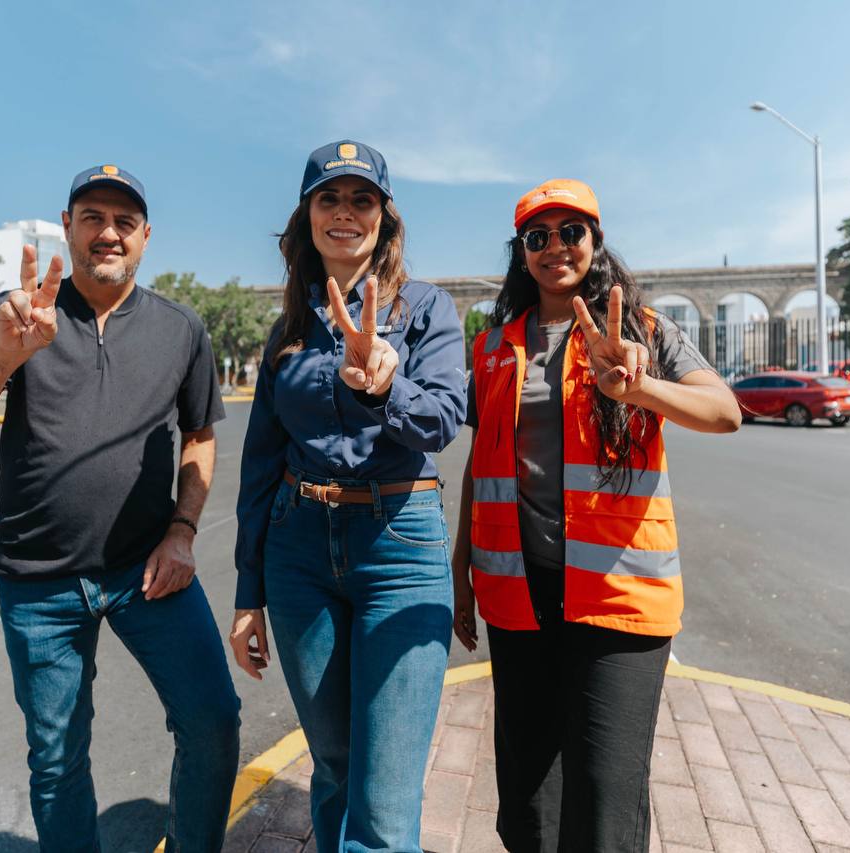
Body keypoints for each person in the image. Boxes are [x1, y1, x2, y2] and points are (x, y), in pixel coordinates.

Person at [0, 165, 240, 853]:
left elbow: (200, 435)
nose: (108, 232)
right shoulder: (17, 312)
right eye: (93, 216)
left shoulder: (181, 328)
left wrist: (183, 531)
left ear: (146, 236)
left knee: (213, 721)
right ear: (67, 226)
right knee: (57, 758)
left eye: (125, 221)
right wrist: (2, 357)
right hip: (38, 582)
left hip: (148, 571)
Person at [451, 179, 741, 852]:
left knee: (604, 795)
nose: (556, 247)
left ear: (596, 241)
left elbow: (724, 412)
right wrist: (461, 570)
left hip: (618, 593)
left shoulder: (645, 331)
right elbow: (482, 463)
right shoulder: (493, 348)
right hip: (519, 593)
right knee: (528, 795)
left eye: (571, 232)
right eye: (538, 236)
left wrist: (641, 388)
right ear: (522, 252)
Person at [228, 140, 467, 852]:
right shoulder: (288, 329)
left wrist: (386, 385)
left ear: (384, 218)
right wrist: (248, 592)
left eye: (362, 199)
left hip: (399, 547)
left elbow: (444, 419)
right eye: (329, 198)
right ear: (306, 216)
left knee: (384, 806)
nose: (344, 213)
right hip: (298, 551)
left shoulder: (426, 309)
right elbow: (260, 461)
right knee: (332, 765)